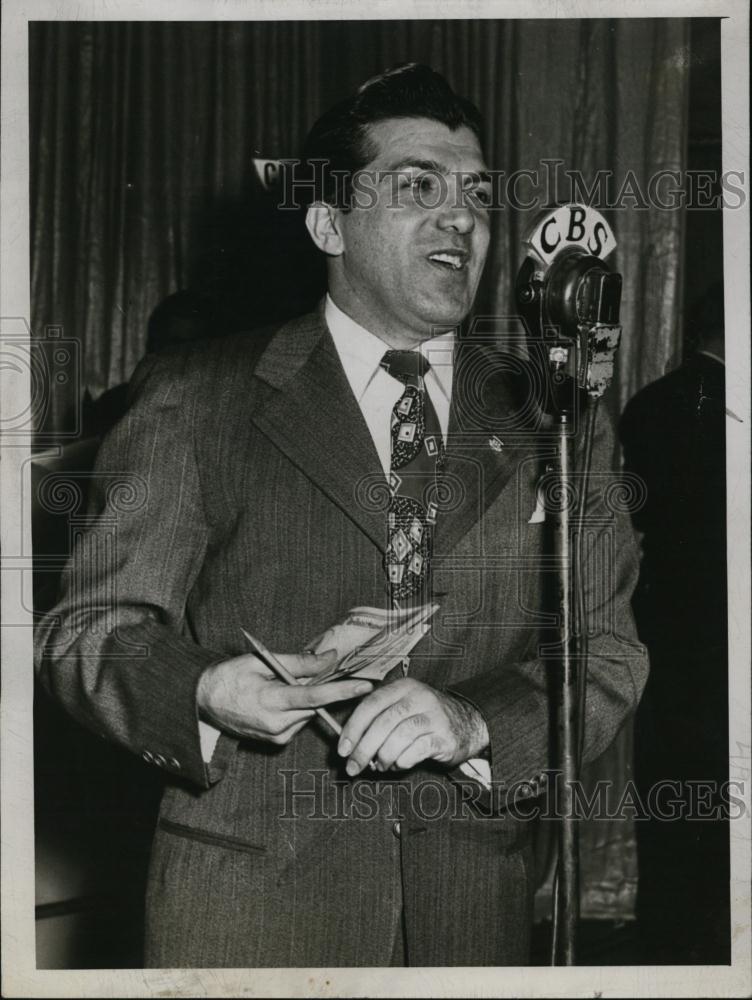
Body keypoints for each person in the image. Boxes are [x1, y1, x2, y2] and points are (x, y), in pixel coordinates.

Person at [35, 64, 647, 968]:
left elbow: (606, 651)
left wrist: (474, 723)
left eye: (475, 194)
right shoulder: (195, 398)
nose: (461, 218)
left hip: (474, 920)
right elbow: (87, 631)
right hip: (250, 917)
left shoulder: (555, 418)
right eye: (417, 188)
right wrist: (206, 689)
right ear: (329, 222)